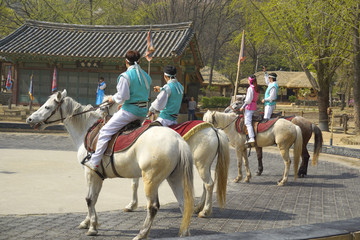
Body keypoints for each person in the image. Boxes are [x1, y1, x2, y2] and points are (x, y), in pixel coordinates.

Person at [83, 50, 151, 171]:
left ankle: (95, 162)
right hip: (143, 112)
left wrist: (111, 98)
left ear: (126, 61)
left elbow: (122, 96)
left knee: (104, 131)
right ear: (139, 61)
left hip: (130, 112)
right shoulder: (146, 76)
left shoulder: (125, 76)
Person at [240, 74, 260, 144]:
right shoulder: (256, 88)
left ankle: (251, 137)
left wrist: (243, 106)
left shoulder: (250, 88)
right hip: (254, 105)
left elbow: (248, 100)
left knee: (247, 122)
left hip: (249, 106)